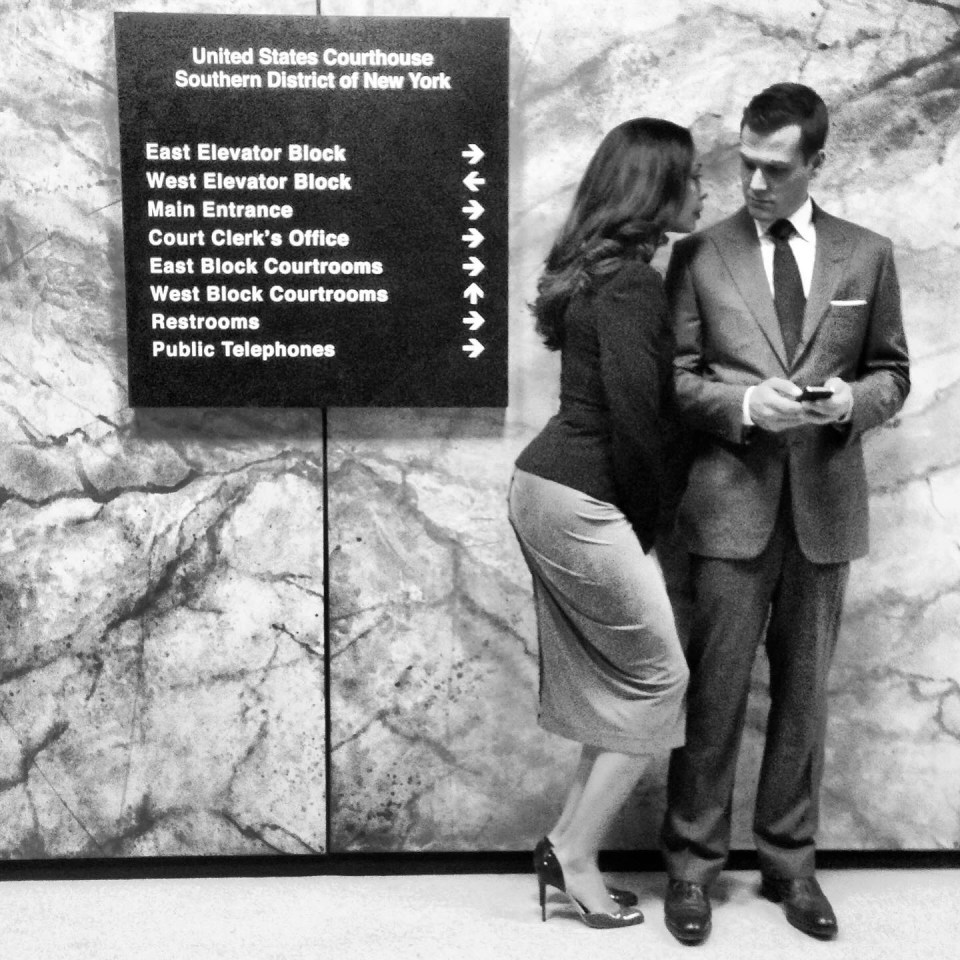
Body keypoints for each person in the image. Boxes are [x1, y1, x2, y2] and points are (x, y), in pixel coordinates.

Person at [659, 83, 910, 944]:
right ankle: (692, 869)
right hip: (728, 507)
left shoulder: (866, 255)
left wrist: (852, 402)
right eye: (745, 164)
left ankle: (790, 865)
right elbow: (678, 381)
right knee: (714, 696)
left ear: (816, 164)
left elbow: (894, 373)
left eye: (774, 168)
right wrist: (742, 407)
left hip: (825, 511)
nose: (754, 183)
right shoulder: (698, 253)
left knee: (803, 700)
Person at [508, 117, 704, 929]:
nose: (705, 191)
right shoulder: (631, 283)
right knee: (661, 678)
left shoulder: (603, 271)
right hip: (579, 497)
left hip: (549, 487)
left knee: (626, 683)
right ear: (655, 188)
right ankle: (579, 857)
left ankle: (564, 842)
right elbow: (635, 420)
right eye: (693, 177)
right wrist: (652, 519)